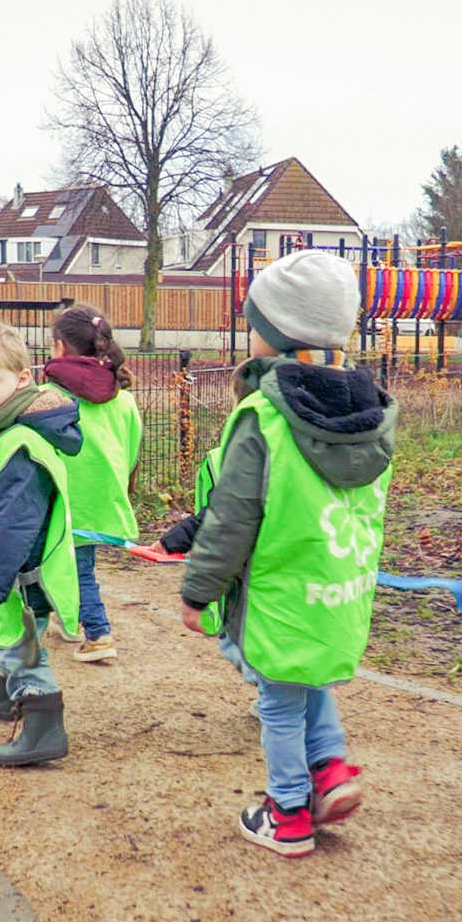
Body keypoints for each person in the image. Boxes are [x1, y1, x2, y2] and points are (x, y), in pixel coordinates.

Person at [178, 250, 396, 858]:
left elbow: (233, 514)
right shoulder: (370, 412)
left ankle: (289, 814)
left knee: (276, 697)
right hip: (338, 588)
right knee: (305, 678)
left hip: (277, 590)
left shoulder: (266, 415)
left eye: (255, 321)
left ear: (274, 332)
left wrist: (199, 590)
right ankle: (330, 771)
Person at [0, 321, 84, 768]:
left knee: (18, 644)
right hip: (3, 568)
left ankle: (44, 727)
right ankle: (0, 693)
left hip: (19, 573)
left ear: (22, 380)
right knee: (4, 634)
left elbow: (14, 520)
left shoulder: (19, 443)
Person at [43, 304, 142, 663]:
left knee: (75, 568)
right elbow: (130, 454)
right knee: (76, 564)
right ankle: (67, 619)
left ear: (58, 348)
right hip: (104, 497)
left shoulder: (49, 397)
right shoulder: (125, 401)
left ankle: (98, 634)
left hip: (66, 500)